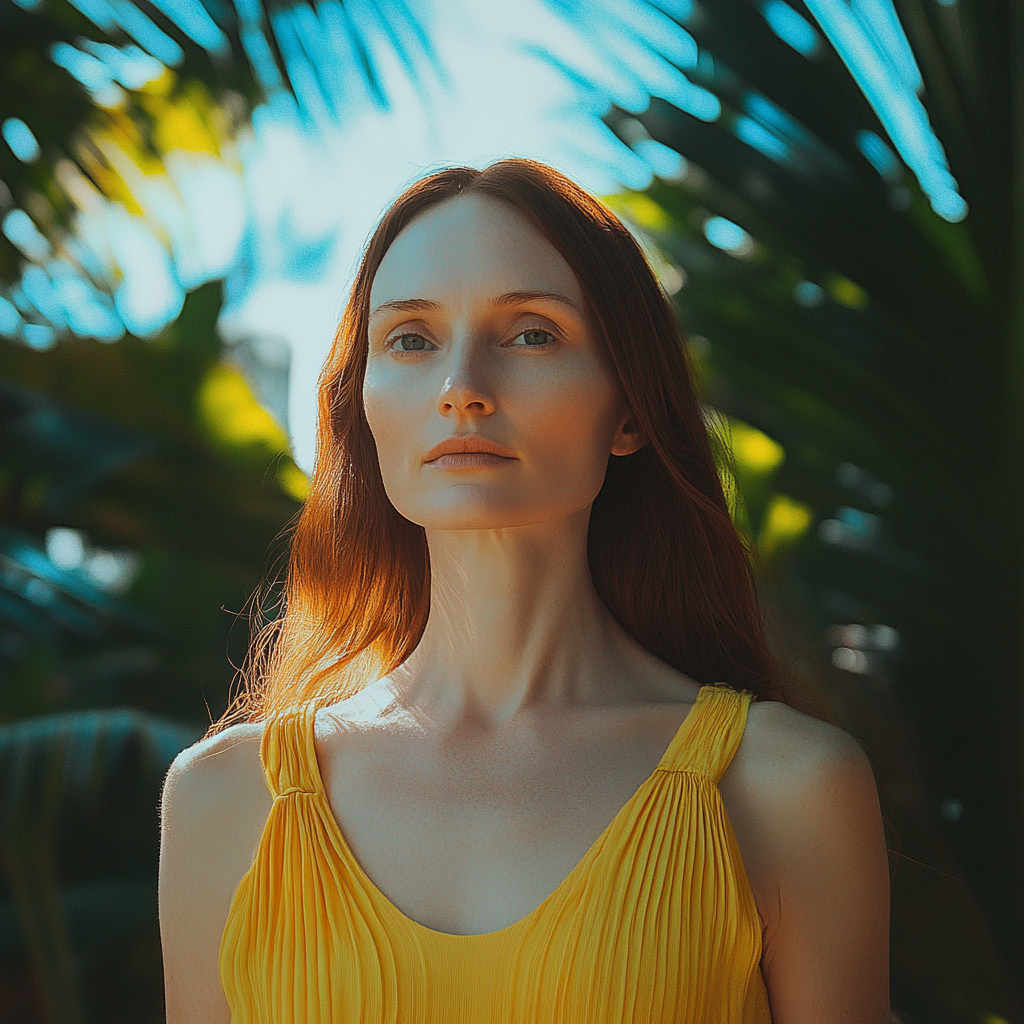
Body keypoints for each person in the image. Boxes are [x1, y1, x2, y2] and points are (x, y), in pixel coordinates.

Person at [158, 159, 890, 1024]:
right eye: (412, 340)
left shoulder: (783, 787)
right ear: (362, 406)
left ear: (629, 412)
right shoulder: (225, 800)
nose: (461, 387)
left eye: (532, 333)